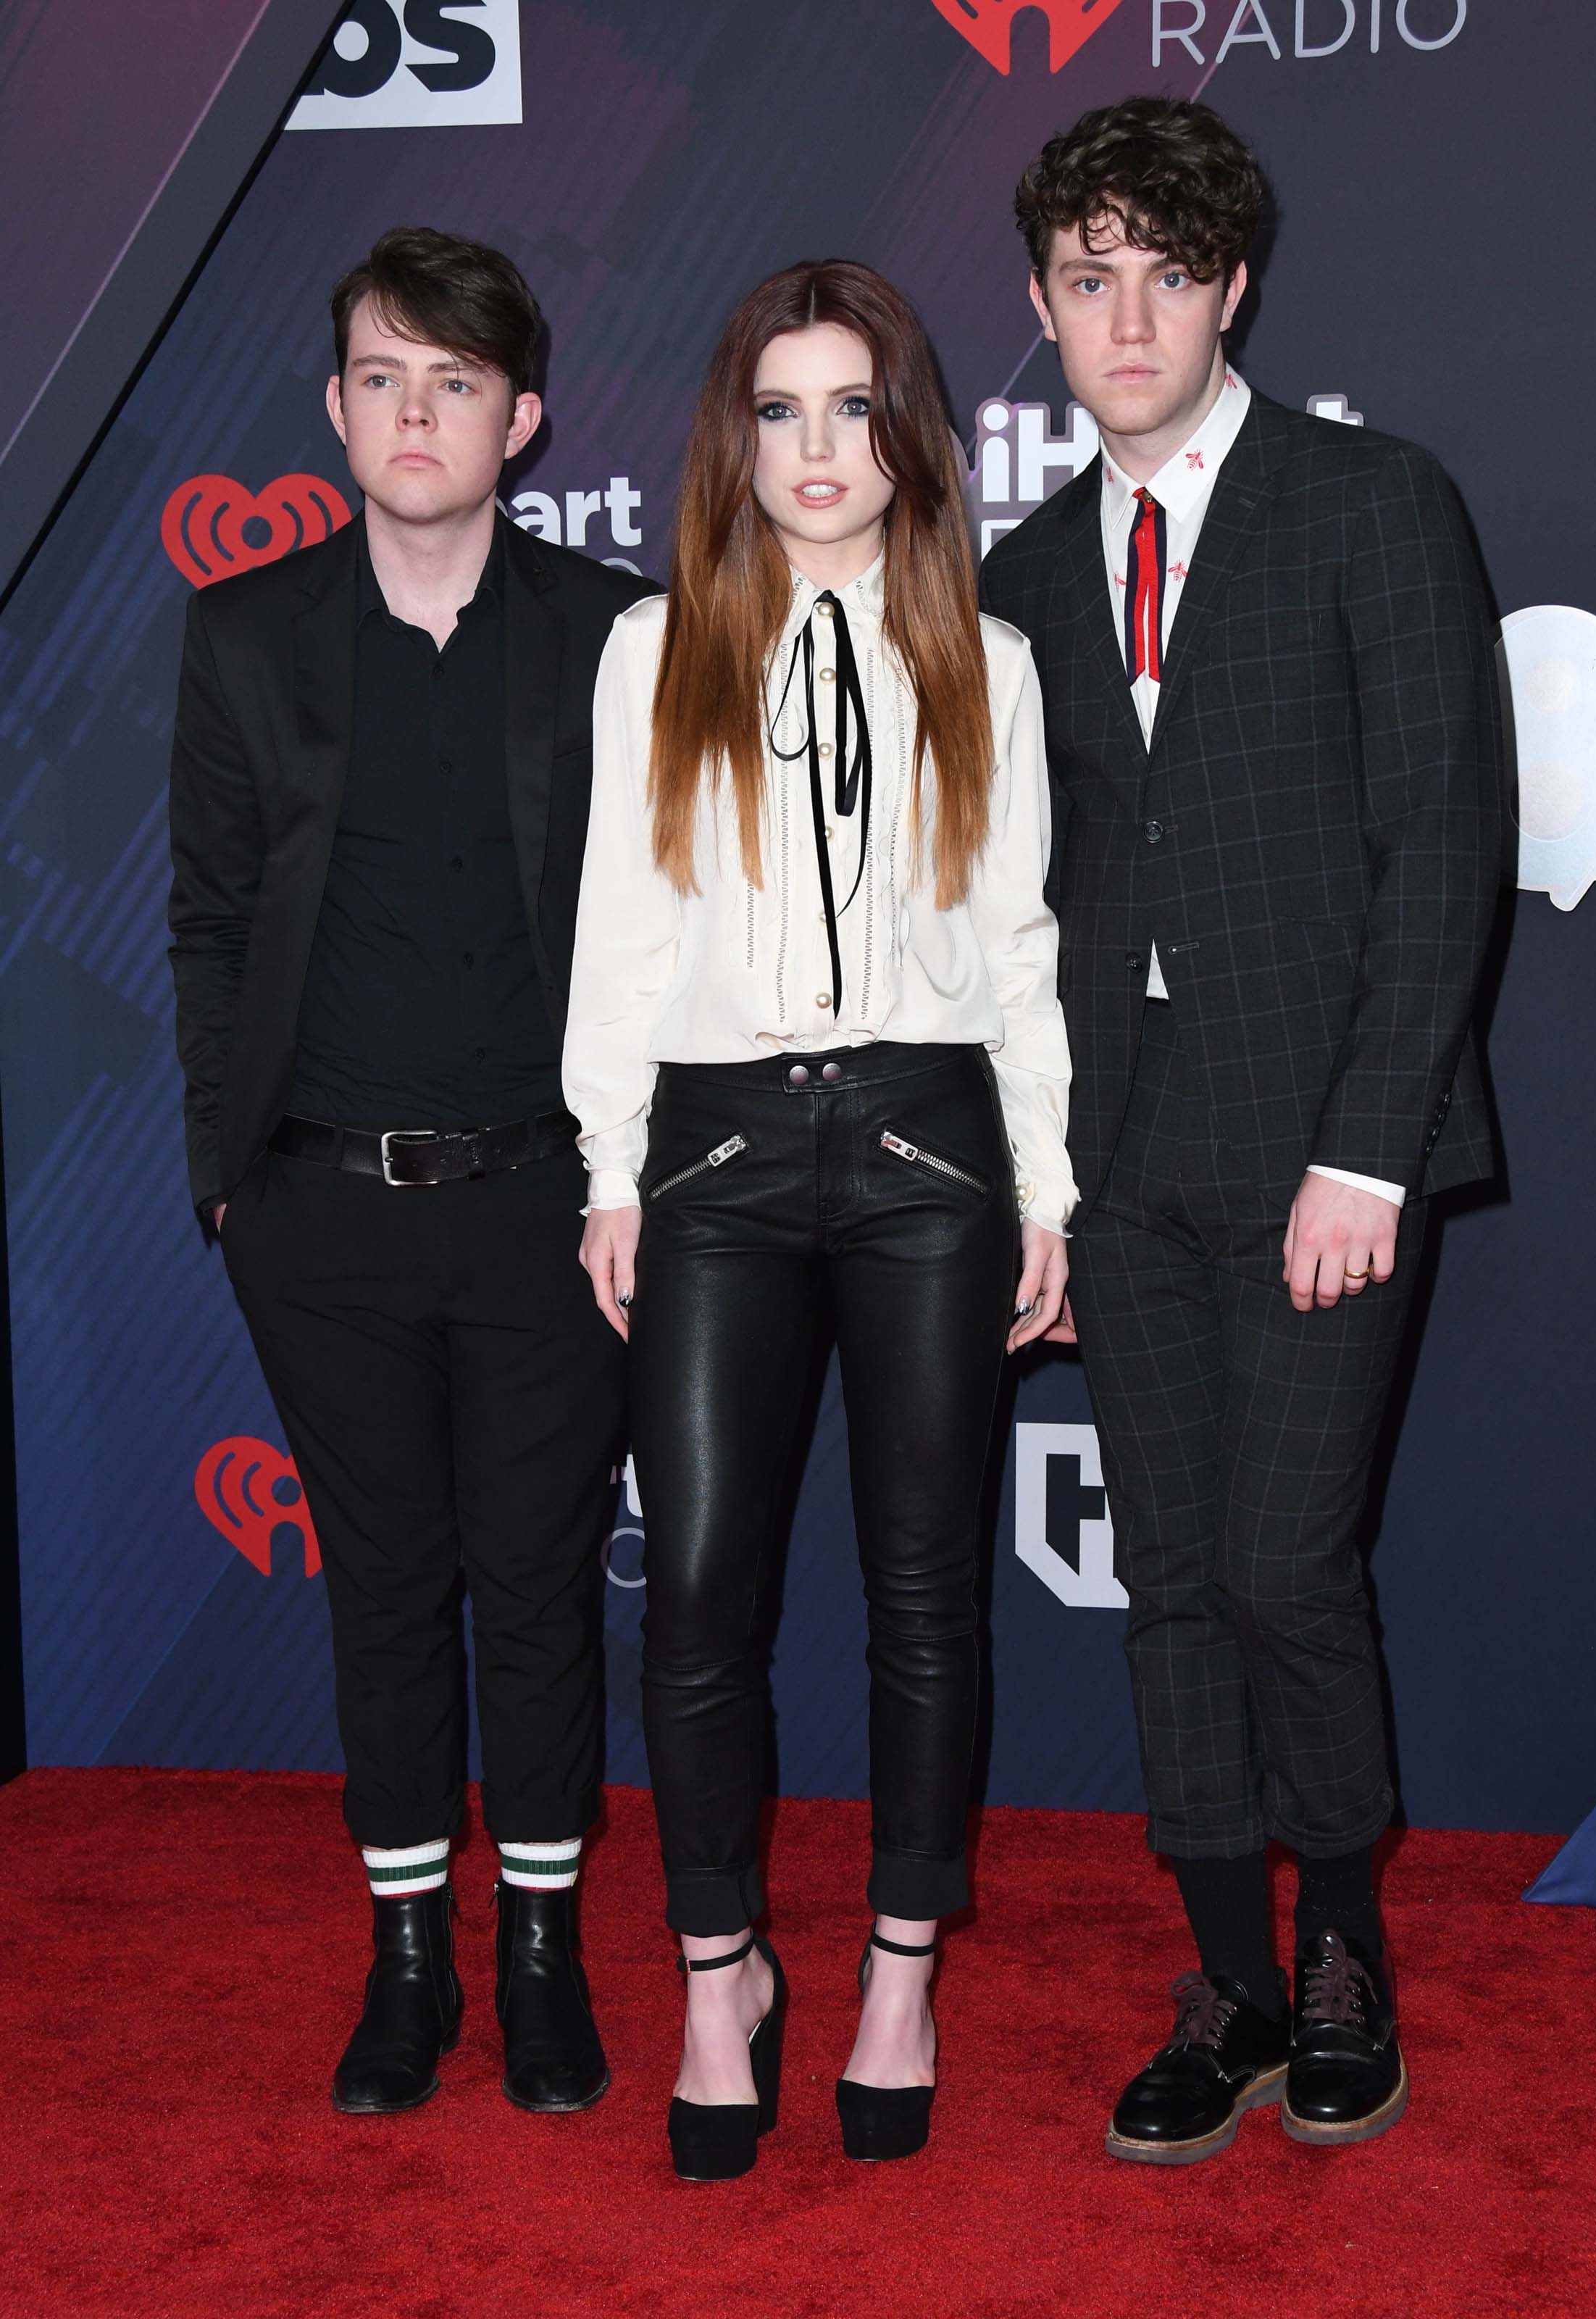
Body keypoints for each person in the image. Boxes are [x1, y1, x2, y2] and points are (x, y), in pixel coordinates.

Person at [979, 99, 1503, 2162]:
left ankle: (1347, 1950)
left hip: (1320, 1140)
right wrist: (1031, 1183)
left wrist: (1367, 1151)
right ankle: (1223, 1980)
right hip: (1120, 1155)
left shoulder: (1369, 501)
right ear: (1038, 304)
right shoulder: (1018, 566)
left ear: (1231, 290)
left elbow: (1442, 842)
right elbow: (1005, 908)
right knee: (1175, 1576)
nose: (1127, 317)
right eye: (1087, 280)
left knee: (1287, 1564)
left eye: (1164, 275)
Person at [563, 259, 1076, 2181]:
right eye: (777, 411)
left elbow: (1017, 947)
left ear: (906, 434)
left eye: (850, 408)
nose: (812, 450)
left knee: (925, 1589)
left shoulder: (990, 663)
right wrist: (611, 1161)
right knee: (698, 1583)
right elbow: (622, 926)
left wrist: (1048, 1186)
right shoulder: (656, 649)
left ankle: (893, 1972)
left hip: (933, 1146)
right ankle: (717, 1974)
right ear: (733, 437)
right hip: (710, 1152)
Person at [167, 227, 656, 2116]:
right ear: (334, 409)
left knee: (535, 1585)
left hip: (547, 1199)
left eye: (454, 381)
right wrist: (229, 1171)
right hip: (315, 1206)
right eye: (382, 377)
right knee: (381, 1586)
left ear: (520, 417)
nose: (415, 413)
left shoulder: (617, 632)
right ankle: (405, 1963)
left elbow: (667, 927)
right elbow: (208, 922)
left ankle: (539, 1954)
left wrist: (632, 1179)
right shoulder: (243, 634)